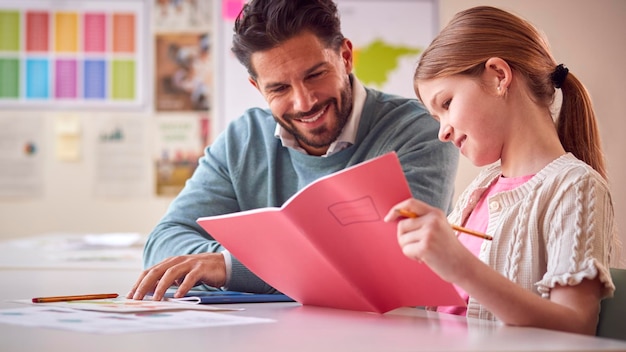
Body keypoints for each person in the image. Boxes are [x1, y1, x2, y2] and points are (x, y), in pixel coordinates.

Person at [128, 0, 459, 301]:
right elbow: (164, 243)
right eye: (280, 88)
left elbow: (390, 263)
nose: (305, 102)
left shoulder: (419, 132)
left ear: (345, 57)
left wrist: (232, 266)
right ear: (258, 87)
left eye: (315, 75)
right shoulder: (244, 138)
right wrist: (240, 263)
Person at [384, 6, 622, 335]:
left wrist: (460, 266)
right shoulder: (477, 194)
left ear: (498, 75)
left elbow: (575, 325)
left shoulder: (575, 187)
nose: (442, 132)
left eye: (447, 104)